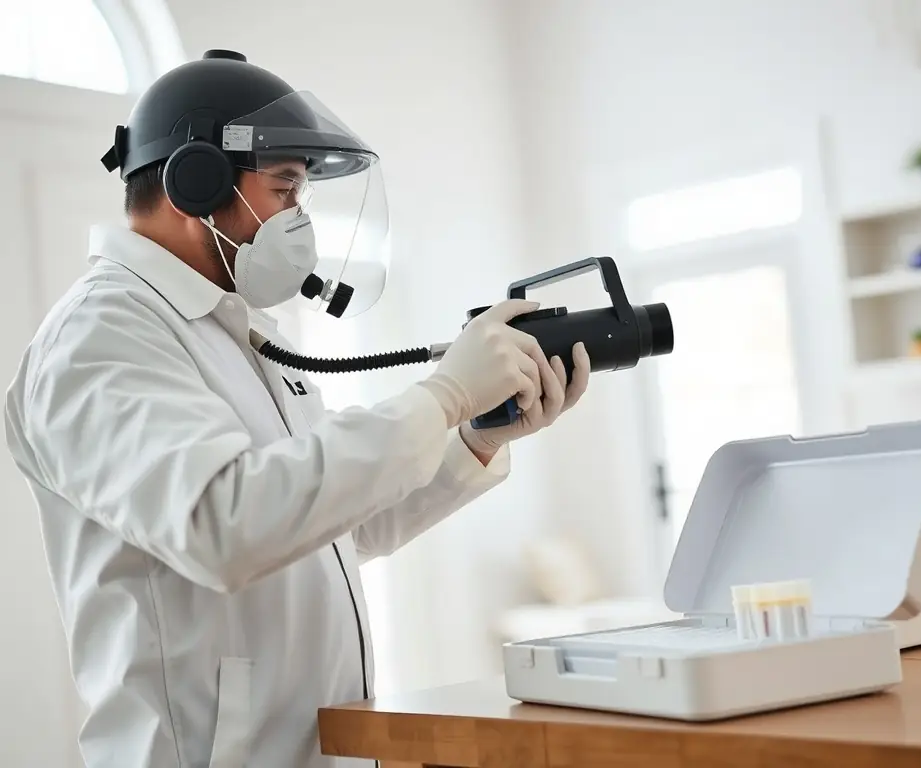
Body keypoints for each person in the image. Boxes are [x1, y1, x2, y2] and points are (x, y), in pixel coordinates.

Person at [3, 49, 590, 768]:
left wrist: (470, 437)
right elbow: (224, 525)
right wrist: (440, 395)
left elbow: (330, 525)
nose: (298, 219)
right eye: (284, 189)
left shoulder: (230, 329)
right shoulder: (100, 336)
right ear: (196, 182)